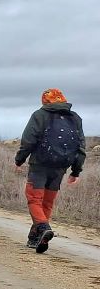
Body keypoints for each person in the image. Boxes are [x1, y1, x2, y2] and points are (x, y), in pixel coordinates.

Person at [15, 88, 86, 253]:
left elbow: (28, 140)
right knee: (47, 202)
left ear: (44, 100)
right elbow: (81, 147)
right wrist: (76, 171)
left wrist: (19, 159)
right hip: (61, 167)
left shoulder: (39, 115)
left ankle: (42, 228)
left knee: (34, 200)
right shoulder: (75, 118)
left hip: (39, 164)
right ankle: (36, 238)